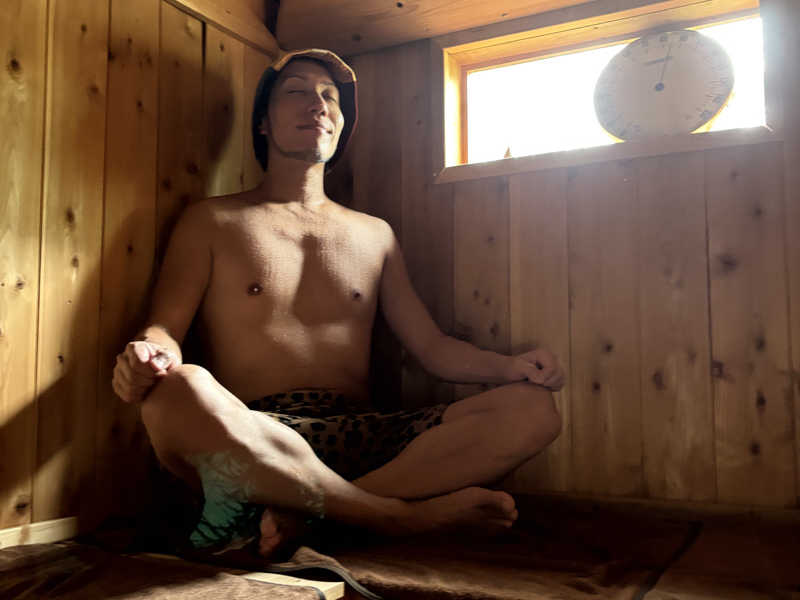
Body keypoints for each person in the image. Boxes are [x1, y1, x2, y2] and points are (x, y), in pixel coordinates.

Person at [112, 48, 565, 558]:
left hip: (365, 435)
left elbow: (433, 348)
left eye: (329, 97)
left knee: (533, 409)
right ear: (263, 122)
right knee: (177, 390)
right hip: (255, 432)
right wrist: (149, 354)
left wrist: (511, 367)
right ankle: (397, 518)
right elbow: (165, 328)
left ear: (340, 125)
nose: (318, 105)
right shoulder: (211, 222)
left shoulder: (375, 234)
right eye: (297, 92)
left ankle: (307, 512)